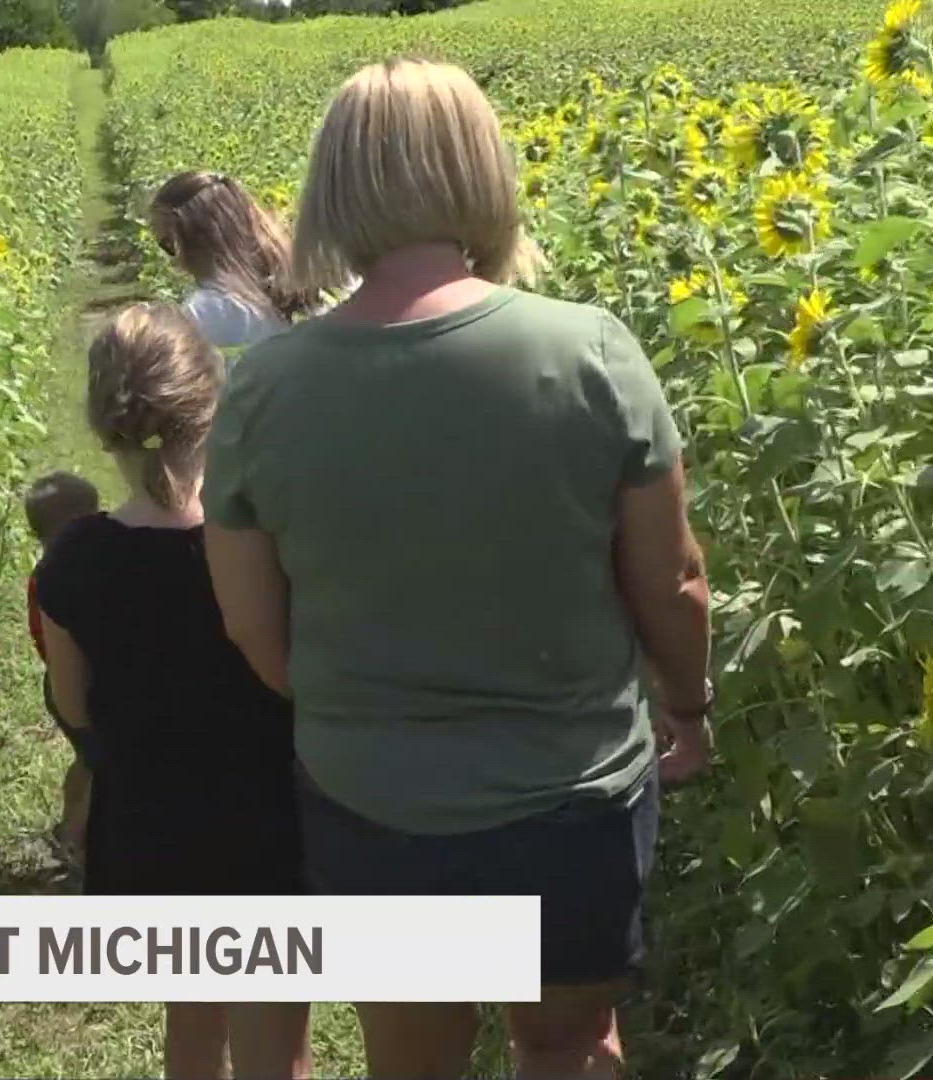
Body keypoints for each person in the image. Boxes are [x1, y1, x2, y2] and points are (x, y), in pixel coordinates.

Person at [200, 59, 712, 1080]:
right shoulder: (589, 353)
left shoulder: (265, 388)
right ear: (484, 172)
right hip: (573, 799)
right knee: (564, 1044)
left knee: (415, 1059)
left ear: (332, 187)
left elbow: (253, 628)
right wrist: (689, 706)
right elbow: (676, 583)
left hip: (374, 805)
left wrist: (361, 707)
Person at [36, 303, 311, 1080]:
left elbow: (73, 703)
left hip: (150, 820)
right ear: (213, 400)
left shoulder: (73, 560)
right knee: (276, 1033)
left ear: (102, 422)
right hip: (270, 814)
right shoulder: (263, 533)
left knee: (191, 1022)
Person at [149, 170, 324, 351]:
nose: (172, 262)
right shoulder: (299, 274)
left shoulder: (207, 312)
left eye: (167, 245)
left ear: (190, 240)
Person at [23, 470, 102, 867]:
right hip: (79, 686)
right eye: (95, 515)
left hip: (58, 683)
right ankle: (78, 842)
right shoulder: (64, 578)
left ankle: (68, 827)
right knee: (102, 766)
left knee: (87, 762)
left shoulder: (47, 572)